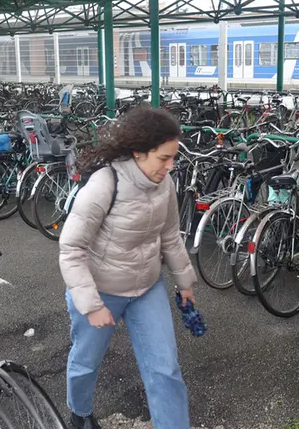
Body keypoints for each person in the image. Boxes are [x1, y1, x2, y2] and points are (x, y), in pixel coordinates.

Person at [59, 107, 196, 429]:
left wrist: (185, 282)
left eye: (173, 157)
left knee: (165, 369)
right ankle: (79, 413)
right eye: (164, 158)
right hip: (101, 290)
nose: (170, 166)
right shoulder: (105, 184)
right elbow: (71, 248)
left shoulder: (165, 184)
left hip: (147, 287)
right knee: (86, 363)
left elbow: (170, 236)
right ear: (138, 152)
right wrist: (92, 306)